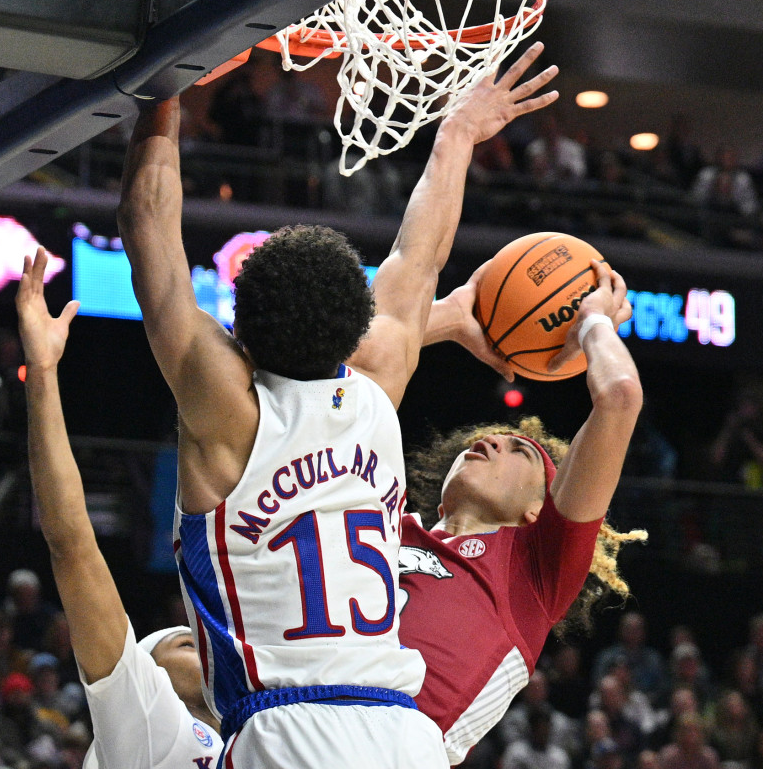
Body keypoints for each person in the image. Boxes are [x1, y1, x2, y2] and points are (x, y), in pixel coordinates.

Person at [117, 44, 559, 769]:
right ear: (354, 330)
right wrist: (456, 135)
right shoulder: (378, 389)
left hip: (291, 729)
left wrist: (164, 80)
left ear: (240, 335)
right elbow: (418, 259)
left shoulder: (224, 412)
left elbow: (147, 221)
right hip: (402, 733)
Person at [398, 257, 644, 763]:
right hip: (286, 714)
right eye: (486, 441)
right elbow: (327, 363)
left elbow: (619, 397)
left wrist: (594, 319)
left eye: (519, 450)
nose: (489, 444)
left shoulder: (532, 569)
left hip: (388, 747)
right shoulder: (380, 522)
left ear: (539, 509)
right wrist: (449, 317)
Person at [15, 249, 222, 769]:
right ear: (140, 668)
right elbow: (73, 545)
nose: (203, 645)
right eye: (184, 643)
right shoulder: (143, 714)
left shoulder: (252, 737)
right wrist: (42, 372)